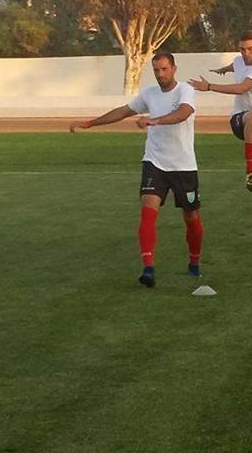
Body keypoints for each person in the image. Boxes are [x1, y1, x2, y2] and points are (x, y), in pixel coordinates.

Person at [69, 52, 203, 288]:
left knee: (191, 217)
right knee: (148, 210)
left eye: (164, 69)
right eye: (156, 70)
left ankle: (194, 262)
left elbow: (184, 113)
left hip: (183, 165)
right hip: (154, 161)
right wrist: (90, 123)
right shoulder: (149, 94)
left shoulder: (185, 90)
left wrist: (155, 120)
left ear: (174, 68)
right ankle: (148, 268)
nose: (160, 74)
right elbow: (123, 111)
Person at [189, 31, 252, 247]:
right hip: (240, 120)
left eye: (250, 49)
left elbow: (241, 88)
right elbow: (235, 66)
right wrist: (223, 70)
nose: (245, 53)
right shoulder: (238, 61)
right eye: (242, 49)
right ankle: (249, 170)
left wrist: (210, 86)